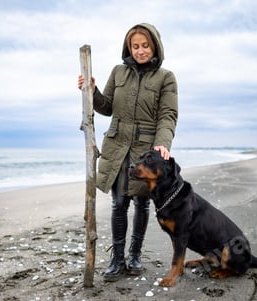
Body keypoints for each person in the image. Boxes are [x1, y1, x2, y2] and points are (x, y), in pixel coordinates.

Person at [78, 23, 178, 282]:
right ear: (129, 47)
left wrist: (162, 143)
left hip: (145, 151)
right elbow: (106, 106)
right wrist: (92, 90)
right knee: (119, 203)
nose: (141, 51)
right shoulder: (118, 72)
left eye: (145, 45)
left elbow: (168, 115)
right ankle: (117, 258)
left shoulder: (166, 77)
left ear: (154, 46)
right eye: (135, 46)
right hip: (118, 147)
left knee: (142, 203)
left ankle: (134, 255)